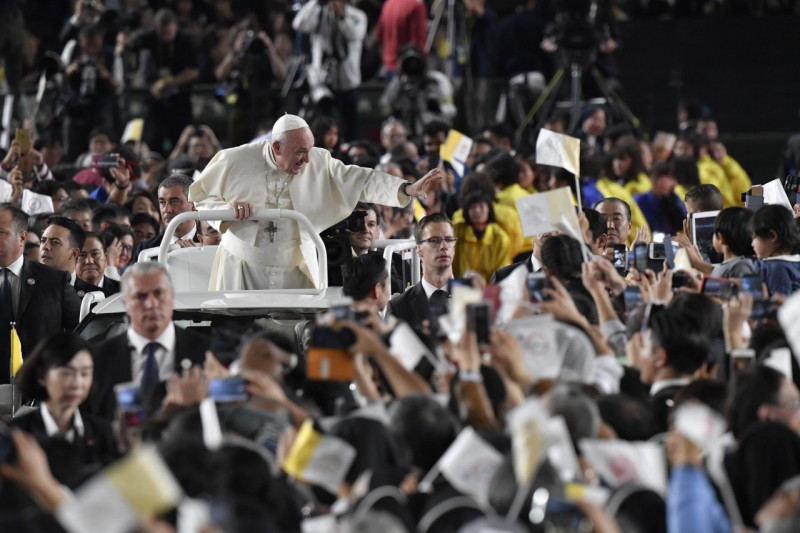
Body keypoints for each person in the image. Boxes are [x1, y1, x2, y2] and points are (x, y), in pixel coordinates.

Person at [189, 113, 442, 290]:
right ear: (277, 147)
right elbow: (199, 194)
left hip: (295, 267)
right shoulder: (234, 159)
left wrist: (406, 188)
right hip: (244, 266)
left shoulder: (318, 160)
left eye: (309, 150)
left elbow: (359, 179)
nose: (307, 160)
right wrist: (227, 212)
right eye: (300, 152)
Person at [1, 333, 117, 527]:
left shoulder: (104, 433)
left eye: (85, 373)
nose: (77, 383)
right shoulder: (17, 436)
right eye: (67, 372)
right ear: (42, 376)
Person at [86, 262, 209, 421]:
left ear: (172, 297)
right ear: (126, 304)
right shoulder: (97, 360)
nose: (151, 304)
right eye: (140, 296)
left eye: (159, 294)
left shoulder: (206, 354)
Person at [0, 204, 80, 385]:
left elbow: (80, 332)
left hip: (38, 388)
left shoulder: (53, 281)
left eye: (0, 232)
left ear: (21, 238)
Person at [292, 0, 367, 142]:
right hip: (323, 82)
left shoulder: (357, 15)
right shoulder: (319, 14)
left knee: (351, 127)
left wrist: (342, 16)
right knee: (325, 126)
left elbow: (355, 35)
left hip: (348, 81)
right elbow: (299, 24)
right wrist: (316, 2)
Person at [388, 213, 455, 334]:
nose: (444, 246)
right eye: (434, 241)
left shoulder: (473, 298)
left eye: (449, 239)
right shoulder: (398, 307)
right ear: (418, 249)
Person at [133, 174, 198, 261]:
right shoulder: (146, 248)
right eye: (162, 202)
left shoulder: (210, 243)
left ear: (194, 204)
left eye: (174, 201)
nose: (167, 209)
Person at [452, 191, 511, 282]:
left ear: (489, 210)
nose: (477, 211)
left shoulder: (501, 238)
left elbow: (502, 270)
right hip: (459, 286)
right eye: (472, 207)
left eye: (481, 207)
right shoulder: (456, 231)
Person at [39, 216, 101, 298]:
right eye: (43, 241)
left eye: (55, 242)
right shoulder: (24, 287)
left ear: (74, 253)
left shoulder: (94, 296)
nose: (45, 246)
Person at [750, 204, 800, 296]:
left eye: (755, 237)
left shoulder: (777, 268)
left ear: (772, 236)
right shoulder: (783, 264)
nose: (752, 243)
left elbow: (780, 306)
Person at [374, 0, 428, 78]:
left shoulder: (388, 4)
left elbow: (379, 37)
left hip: (389, 66)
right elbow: (418, 42)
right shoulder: (416, 5)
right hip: (408, 68)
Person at [76, 232, 121, 298]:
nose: (89, 261)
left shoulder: (122, 291)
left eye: (95, 254)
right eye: (82, 255)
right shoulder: (65, 292)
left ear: (105, 258)